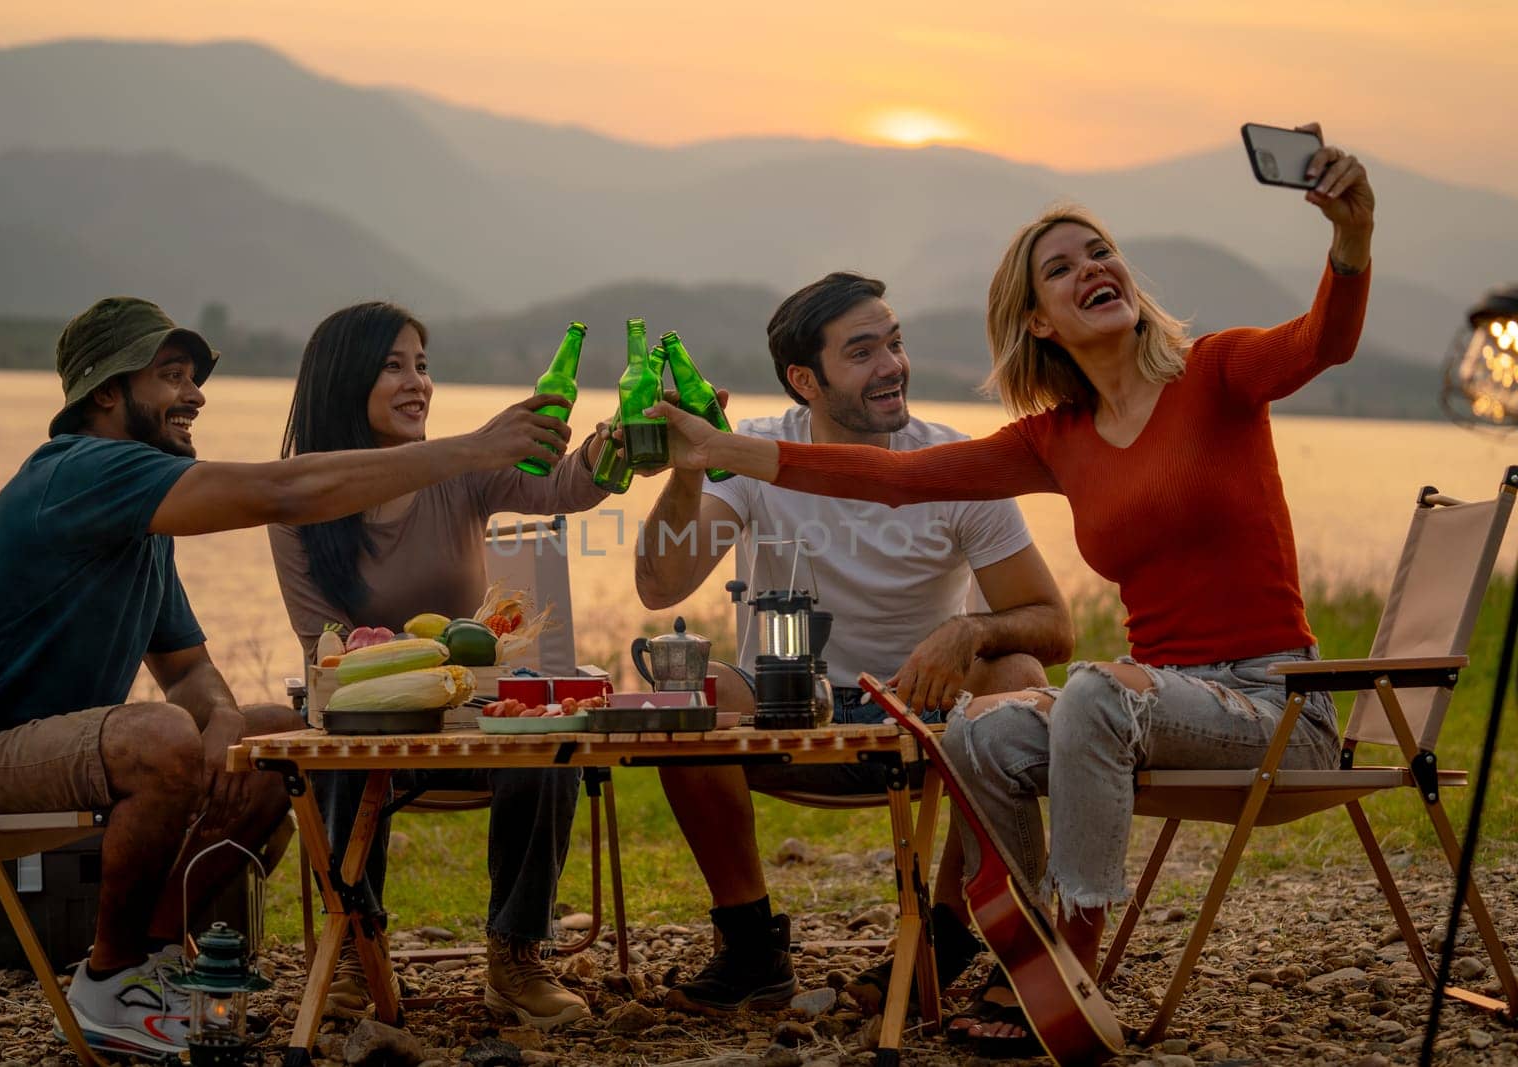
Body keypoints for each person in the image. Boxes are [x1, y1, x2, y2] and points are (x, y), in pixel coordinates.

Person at [649, 127, 1374, 1054]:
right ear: (1039, 321)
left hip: (1276, 703)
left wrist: (1349, 242)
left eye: (1098, 252)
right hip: (1165, 698)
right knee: (984, 728)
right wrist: (715, 451)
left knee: (1093, 693)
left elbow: (1325, 341)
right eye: (1061, 269)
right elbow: (894, 478)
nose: (1090, 268)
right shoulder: (1054, 437)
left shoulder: (1220, 371)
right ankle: (1011, 943)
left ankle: (1068, 959)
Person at [0, 296, 578, 1058]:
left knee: (277, 736)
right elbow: (281, 491)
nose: (195, 395)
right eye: (171, 376)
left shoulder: (140, 524)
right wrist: (471, 448)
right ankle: (110, 975)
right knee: (161, 735)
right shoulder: (77, 473)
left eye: (195, 378)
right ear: (105, 392)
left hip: (35, 755)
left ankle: (158, 958)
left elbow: (190, 669)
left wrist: (226, 726)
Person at [635, 272, 1073, 1014]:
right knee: (685, 682)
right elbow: (660, 584)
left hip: (926, 718)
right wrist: (687, 470)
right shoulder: (756, 453)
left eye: (895, 343)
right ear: (805, 380)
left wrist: (967, 629)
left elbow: (1053, 623)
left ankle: (945, 932)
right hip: (785, 705)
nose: (893, 365)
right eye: (863, 351)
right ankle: (750, 948)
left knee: (1019, 671)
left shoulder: (952, 464)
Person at [268, 301, 613, 1030]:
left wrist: (612, 452)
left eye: (422, 364)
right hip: (370, 726)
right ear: (342, 381)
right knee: (334, 734)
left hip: (471, 720)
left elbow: (563, 488)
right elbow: (322, 649)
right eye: (393, 365)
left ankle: (515, 956)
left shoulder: (462, 475)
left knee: (544, 728)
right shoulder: (299, 495)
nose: (416, 382)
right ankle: (357, 951)